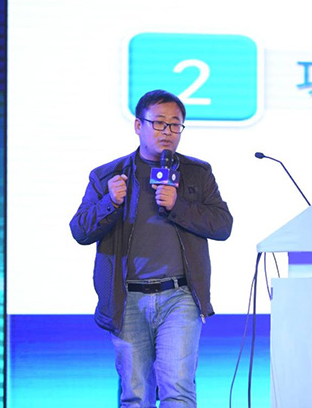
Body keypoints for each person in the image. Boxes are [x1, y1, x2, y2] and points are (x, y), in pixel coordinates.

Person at [69, 89, 233, 407]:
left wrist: (178, 205)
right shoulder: (108, 176)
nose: (167, 131)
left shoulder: (197, 173)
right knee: (135, 393)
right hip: (127, 298)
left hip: (180, 297)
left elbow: (222, 225)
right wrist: (110, 202)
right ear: (138, 125)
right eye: (159, 123)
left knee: (178, 388)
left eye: (175, 124)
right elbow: (80, 231)